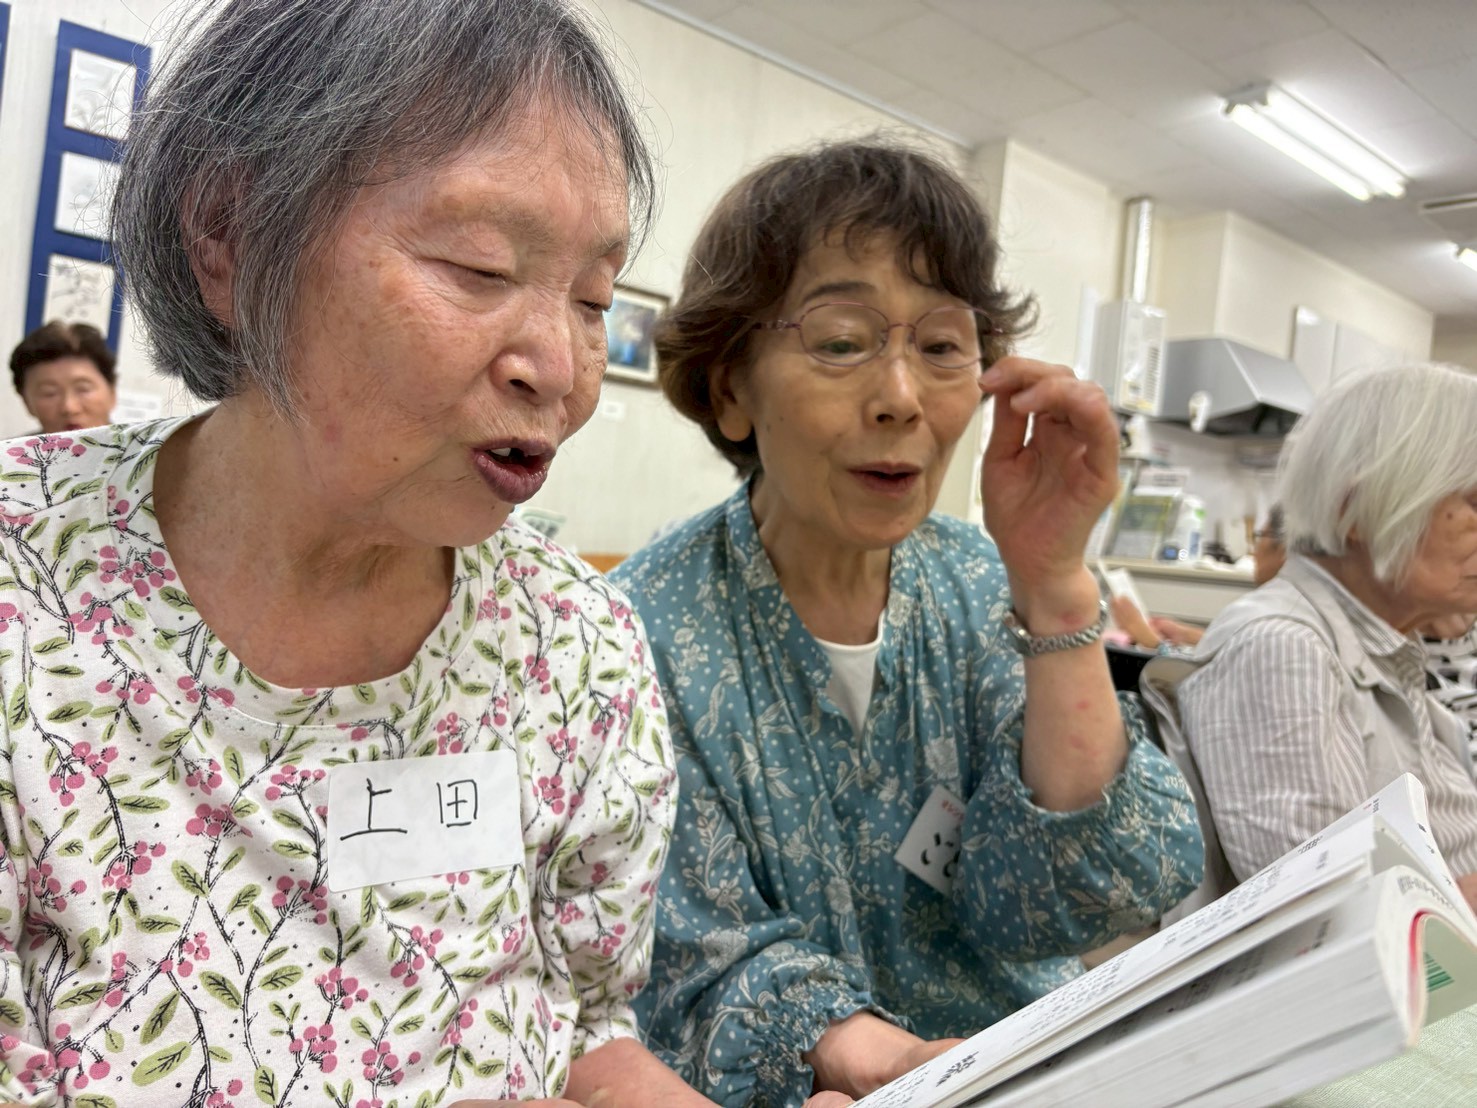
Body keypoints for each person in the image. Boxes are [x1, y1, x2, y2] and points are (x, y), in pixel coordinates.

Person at [0, 2, 717, 1104]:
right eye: (480, 266)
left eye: (590, 299)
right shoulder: (23, 585)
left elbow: (585, 1024)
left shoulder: (578, 646)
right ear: (230, 235)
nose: (557, 367)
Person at [610, 140, 1204, 1106]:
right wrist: (883, 1063)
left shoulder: (978, 581)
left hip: (1030, 1067)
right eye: (841, 341)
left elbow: (1077, 899)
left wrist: (1054, 582)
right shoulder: (640, 629)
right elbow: (687, 951)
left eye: (938, 347)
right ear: (729, 389)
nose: (898, 399)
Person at [1175, 364, 1477, 912]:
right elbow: (1329, 916)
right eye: (1475, 502)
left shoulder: (1383, 650)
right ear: (1353, 509)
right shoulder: (1285, 649)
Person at [8, 319, 117, 433]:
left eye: (83, 389)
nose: (69, 408)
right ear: (26, 402)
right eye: (49, 393)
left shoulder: (135, 449)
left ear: (112, 392)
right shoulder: (12, 451)